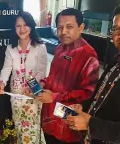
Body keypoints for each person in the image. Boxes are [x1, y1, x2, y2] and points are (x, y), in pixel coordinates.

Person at [66, 3, 120, 144]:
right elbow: (103, 96)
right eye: (117, 29)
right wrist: (84, 106)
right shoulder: (116, 60)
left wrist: (90, 124)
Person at [38, 8, 99, 144]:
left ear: (81, 27)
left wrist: (53, 97)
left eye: (69, 27)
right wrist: (42, 83)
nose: (63, 31)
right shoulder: (60, 48)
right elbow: (53, 77)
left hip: (68, 122)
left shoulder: (88, 55)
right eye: (60, 27)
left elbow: (88, 94)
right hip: (49, 117)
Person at [0, 11, 47, 143]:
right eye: (18, 26)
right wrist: (2, 82)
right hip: (16, 94)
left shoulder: (40, 47)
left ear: (31, 26)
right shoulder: (11, 48)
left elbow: (41, 72)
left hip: (33, 93)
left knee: (33, 126)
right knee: (19, 125)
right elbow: (7, 68)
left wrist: (32, 88)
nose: (22, 29)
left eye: (25, 25)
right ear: (14, 28)